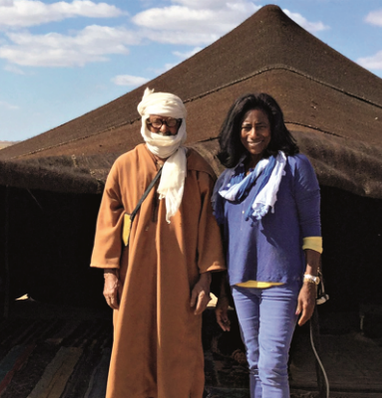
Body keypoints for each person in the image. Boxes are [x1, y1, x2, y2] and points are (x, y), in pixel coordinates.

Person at [90, 87, 225, 398]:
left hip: (180, 279)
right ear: (145, 122)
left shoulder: (198, 170)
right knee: (130, 345)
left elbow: (209, 229)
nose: (164, 129)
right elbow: (108, 224)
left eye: (171, 122)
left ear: (181, 125)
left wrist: (205, 281)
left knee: (178, 346)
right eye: (157, 122)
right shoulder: (124, 166)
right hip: (132, 275)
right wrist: (109, 275)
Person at [212, 93, 322, 398]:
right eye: (246, 126)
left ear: (273, 127)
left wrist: (310, 281)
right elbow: (224, 239)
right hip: (240, 284)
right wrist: (221, 293)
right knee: (256, 364)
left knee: (273, 366)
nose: (253, 134)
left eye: (261, 126)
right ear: (236, 130)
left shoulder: (295, 167)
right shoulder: (229, 179)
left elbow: (312, 228)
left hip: (281, 283)